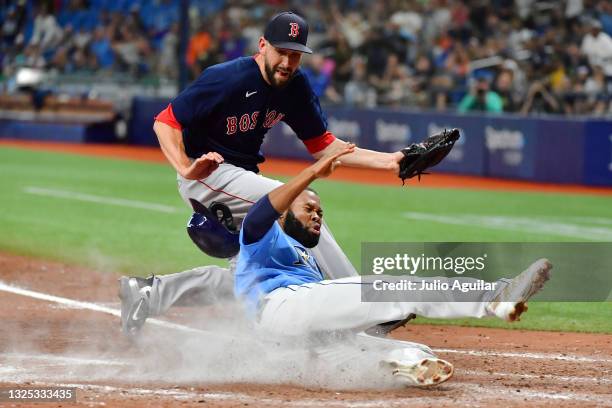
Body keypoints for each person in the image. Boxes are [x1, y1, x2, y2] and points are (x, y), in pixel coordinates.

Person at [119, 11, 409, 335]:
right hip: (207, 175)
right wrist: (186, 167)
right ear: (262, 46)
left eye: (295, 54)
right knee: (298, 202)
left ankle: (149, 291)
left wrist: (391, 162)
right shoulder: (227, 78)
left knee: (253, 273)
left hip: (239, 178)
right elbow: (166, 121)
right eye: (281, 51)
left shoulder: (295, 87)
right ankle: (364, 306)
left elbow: (324, 146)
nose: (287, 61)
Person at [236, 144, 552, 386]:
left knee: (414, 350)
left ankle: (403, 367)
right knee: (390, 287)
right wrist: (313, 172)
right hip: (279, 307)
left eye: (321, 212)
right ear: (282, 212)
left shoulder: (308, 261)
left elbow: (340, 313)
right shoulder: (261, 235)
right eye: (309, 208)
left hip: (291, 334)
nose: (317, 215)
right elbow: (262, 210)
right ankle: (493, 297)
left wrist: (388, 318)